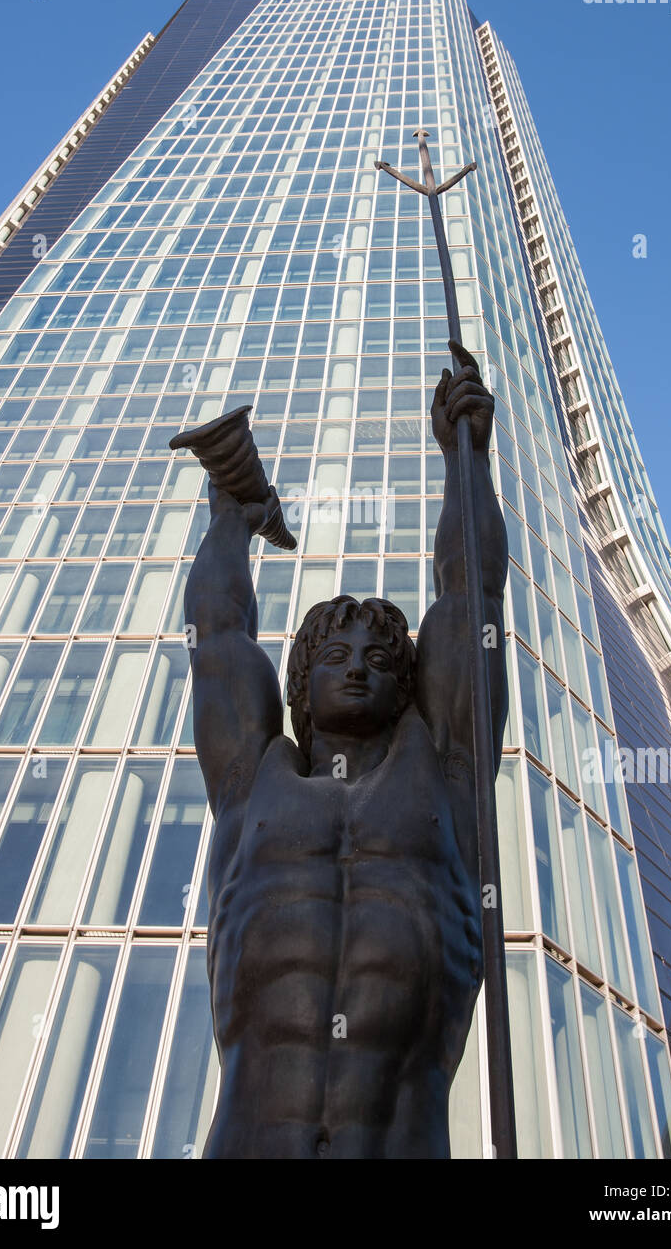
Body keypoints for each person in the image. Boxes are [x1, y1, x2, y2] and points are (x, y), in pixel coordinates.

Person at [185, 340, 508, 1159]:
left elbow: (471, 591)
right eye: (335, 656)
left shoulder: (444, 771)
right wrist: (232, 514)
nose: (359, 667)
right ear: (299, 684)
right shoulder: (249, 776)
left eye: (377, 659)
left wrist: (465, 454)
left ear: (409, 685)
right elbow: (218, 635)